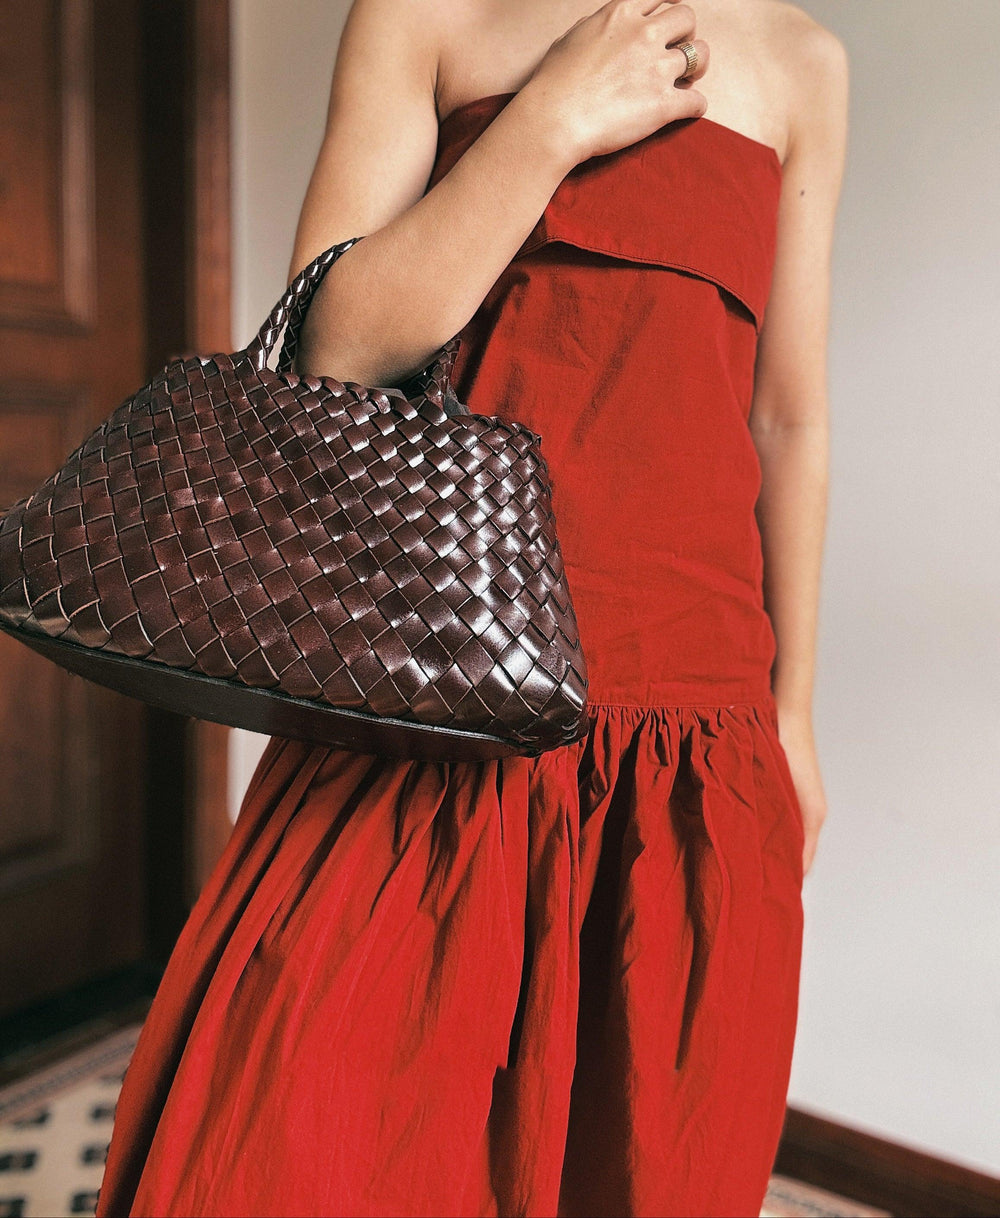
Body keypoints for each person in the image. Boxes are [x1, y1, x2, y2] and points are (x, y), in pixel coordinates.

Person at [96, 1, 847, 1215]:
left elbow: (788, 416)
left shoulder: (803, 61)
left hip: (686, 729)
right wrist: (549, 121)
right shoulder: (423, 10)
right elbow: (334, 351)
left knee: (638, 1159)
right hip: (427, 694)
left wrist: (794, 714)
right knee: (305, 1150)